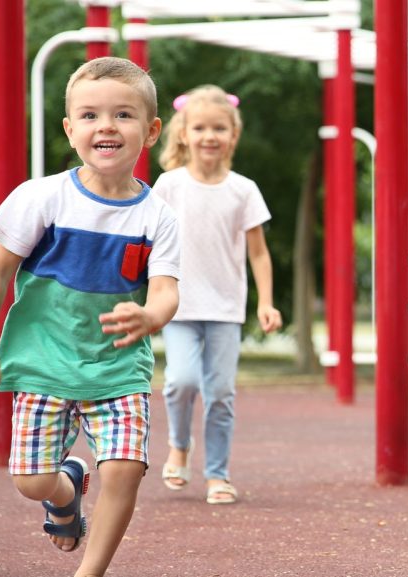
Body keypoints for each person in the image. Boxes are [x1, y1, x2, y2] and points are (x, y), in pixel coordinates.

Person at [0, 57, 179, 577]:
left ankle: (90, 572)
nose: (106, 125)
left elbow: (167, 289)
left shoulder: (158, 217)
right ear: (70, 129)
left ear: (150, 132)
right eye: (90, 115)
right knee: (32, 481)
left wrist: (151, 316)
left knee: (126, 470)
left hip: (117, 370)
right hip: (43, 365)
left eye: (123, 115)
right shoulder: (43, 197)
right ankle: (64, 494)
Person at [154, 85, 282, 505]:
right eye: (201, 127)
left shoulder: (243, 190)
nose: (210, 136)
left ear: (233, 135)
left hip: (226, 308)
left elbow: (259, 254)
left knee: (221, 394)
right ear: (183, 134)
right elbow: (148, 241)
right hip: (178, 305)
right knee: (181, 381)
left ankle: (217, 475)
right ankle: (179, 445)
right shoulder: (169, 186)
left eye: (219, 128)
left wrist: (265, 302)